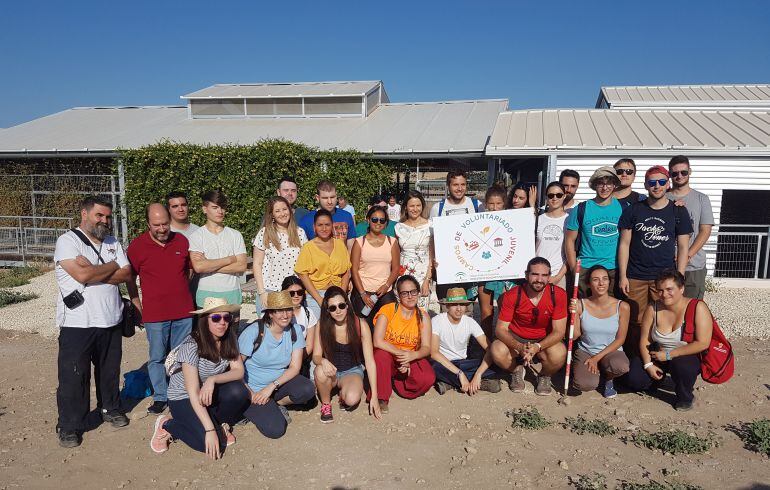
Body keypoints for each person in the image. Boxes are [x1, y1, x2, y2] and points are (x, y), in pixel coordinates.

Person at [54, 196, 135, 447]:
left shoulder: (112, 241)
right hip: (78, 323)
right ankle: (69, 425)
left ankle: (110, 408)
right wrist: (111, 266)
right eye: (100, 215)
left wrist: (96, 270)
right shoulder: (68, 241)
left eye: (108, 217)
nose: (105, 221)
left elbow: (127, 273)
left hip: (111, 319)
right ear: (85, 214)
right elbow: (82, 274)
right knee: (74, 376)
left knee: (109, 371)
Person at [150, 298, 248, 458]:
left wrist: (212, 380)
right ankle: (167, 424)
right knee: (205, 443)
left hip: (207, 392)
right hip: (183, 397)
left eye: (226, 317)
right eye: (216, 318)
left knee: (239, 392)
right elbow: (193, 391)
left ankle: (217, 424)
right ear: (205, 320)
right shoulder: (192, 345)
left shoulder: (229, 340)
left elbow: (238, 371)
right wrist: (209, 430)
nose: (222, 322)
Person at [127, 203, 195, 415]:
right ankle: (160, 396)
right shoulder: (137, 247)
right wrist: (136, 303)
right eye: (157, 225)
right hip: (155, 315)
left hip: (184, 312)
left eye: (165, 223)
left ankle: (179, 392)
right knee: (156, 357)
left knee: (181, 355)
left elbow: (189, 271)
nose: (162, 228)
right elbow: (130, 278)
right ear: (148, 223)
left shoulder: (182, 241)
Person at [618, 165, 692, 355]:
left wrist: (680, 277)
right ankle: (636, 361)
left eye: (661, 182)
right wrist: (623, 276)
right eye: (652, 183)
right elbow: (624, 244)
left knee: (663, 320)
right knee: (635, 322)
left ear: (668, 184)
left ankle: (660, 359)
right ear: (645, 185)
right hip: (636, 276)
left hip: (665, 278)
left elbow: (683, 247)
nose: (657, 186)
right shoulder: (633, 211)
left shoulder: (678, 212)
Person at [625, 269, 714, 411]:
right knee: (634, 379)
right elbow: (645, 340)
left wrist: (669, 355)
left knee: (682, 366)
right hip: (658, 354)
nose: (664, 294)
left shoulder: (698, 307)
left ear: (682, 288)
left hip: (685, 355)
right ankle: (655, 381)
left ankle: (685, 396)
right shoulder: (652, 308)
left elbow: (703, 343)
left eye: (669, 289)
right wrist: (648, 365)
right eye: (660, 290)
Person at [238, 291, 315, 438]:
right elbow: (236, 368)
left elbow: (294, 367)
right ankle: (252, 409)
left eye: (288, 309)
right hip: (252, 389)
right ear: (270, 313)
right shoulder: (255, 331)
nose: (285, 315)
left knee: (307, 389)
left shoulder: (294, 330)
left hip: (276, 384)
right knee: (276, 430)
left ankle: (275, 403)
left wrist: (271, 387)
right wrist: (251, 393)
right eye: (279, 311)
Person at [490, 257, 567, 396]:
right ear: (526, 275)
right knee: (496, 350)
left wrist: (537, 347)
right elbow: (500, 329)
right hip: (516, 337)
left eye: (544, 275)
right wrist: (519, 346)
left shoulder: (558, 294)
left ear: (549, 277)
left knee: (560, 353)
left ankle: (544, 375)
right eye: (535, 274)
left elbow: (559, 331)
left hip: (543, 338)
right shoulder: (512, 295)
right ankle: (516, 370)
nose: (539, 279)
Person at [313, 287, 381, 423]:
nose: (338, 311)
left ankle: (344, 391)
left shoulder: (360, 325)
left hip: (352, 371)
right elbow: (316, 356)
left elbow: (370, 362)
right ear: (327, 310)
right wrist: (323, 361)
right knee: (319, 371)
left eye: (341, 305)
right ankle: (326, 404)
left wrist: (374, 395)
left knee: (352, 399)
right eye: (332, 308)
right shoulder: (322, 325)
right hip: (331, 371)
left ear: (347, 305)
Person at [372, 275, 436, 412]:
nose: (410, 296)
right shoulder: (388, 310)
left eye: (413, 292)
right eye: (405, 293)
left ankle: (397, 380)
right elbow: (377, 341)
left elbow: (426, 348)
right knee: (380, 356)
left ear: (418, 293)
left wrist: (412, 356)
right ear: (398, 294)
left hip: (410, 357)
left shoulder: (423, 316)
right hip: (389, 355)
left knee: (428, 378)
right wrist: (402, 355)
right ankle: (382, 397)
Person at [568, 266, 630, 398]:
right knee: (585, 385)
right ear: (589, 284)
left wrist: (596, 358)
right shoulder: (580, 304)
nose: (601, 283)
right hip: (586, 350)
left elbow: (620, 339)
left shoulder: (623, 306)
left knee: (621, 366)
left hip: (611, 351)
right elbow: (575, 335)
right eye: (596, 280)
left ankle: (608, 377)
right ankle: (592, 373)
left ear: (609, 282)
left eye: (605, 279)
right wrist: (573, 314)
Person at [564, 166, 623, 298]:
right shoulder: (581, 209)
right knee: (584, 310)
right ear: (595, 185)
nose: (604, 187)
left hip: (613, 269)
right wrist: (574, 268)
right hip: (586, 268)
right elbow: (569, 240)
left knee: (610, 311)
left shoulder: (623, 208)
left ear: (614, 185)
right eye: (601, 183)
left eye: (608, 183)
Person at [430, 288, 500, 395]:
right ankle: (470, 382)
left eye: (462, 304)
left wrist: (478, 374)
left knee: (494, 365)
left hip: (464, 363)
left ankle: (451, 383)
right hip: (444, 363)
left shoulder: (469, 322)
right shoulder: (437, 321)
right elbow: (434, 353)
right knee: (434, 368)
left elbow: (489, 348)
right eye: (454, 305)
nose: (459, 309)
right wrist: (460, 374)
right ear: (447, 306)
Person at [188, 190, 248, 307]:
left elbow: (241, 266)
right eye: (215, 207)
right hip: (206, 295)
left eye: (223, 207)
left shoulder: (235, 235)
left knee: (232, 326)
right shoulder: (196, 236)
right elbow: (199, 267)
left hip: (232, 293)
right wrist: (229, 259)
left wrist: (209, 265)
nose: (220, 211)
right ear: (205, 209)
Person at [666, 156, 714, 300]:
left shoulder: (701, 199)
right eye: (675, 173)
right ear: (670, 175)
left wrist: (687, 256)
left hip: (693, 267)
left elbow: (705, 231)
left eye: (683, 172)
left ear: (690, 171)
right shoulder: (663, 198)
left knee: (692, 308)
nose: (679, 176)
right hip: (666, 265)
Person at [252, 196, 307, 316]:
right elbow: (257, 264)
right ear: (271, 214)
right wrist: (262, 293)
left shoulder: (300, 233)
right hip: (270, 291)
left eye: (284, 209)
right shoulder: (264, 233)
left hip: (293, 292)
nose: (282, 213)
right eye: (277, 211)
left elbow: (305, 265)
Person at [294, 209, 352, 320]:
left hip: (339, 292)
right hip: (316, 295)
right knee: (318, 329)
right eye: (320, 225)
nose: (324, 228)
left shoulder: (340, 244)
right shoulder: (308, 247)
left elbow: (346, 271)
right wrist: (319, 300)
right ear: (314, 227)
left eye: (327, 225)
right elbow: (303, 275)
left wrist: (342, 295)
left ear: (332, 226)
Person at [350, 205, 400, 325]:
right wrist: (362, 294)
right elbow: (354, 270)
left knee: (388, 326)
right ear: (368, 220)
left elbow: (396, 268)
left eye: (382, 220)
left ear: (386, 223)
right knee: (364, 327)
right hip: (363, 291)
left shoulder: (392, 242)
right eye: (374, 219)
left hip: (385, 292)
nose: (378, 223)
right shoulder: (359, 242)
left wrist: (386, 285)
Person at [477, 185, 513, 338]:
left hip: (504, 271)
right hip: (482, 271)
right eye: (491, 203)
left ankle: (502, 341)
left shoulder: (511, 221)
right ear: (485, 204)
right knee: (486, 311)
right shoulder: (478, 221)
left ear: (504, 204)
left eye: (498, 204)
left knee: (505, 308)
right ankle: (486, 344)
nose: (494, 207)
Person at [394, 190, 433, 309]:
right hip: (403, 275)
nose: (415, 209)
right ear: (405, 207)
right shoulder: (398, 227)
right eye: (411, 206)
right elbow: (395, 254)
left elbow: (432, 255)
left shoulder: (430, 226)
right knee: (403, 313)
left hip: (423, 276)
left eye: (418, 205)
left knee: (421, 315)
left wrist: (427, 279)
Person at [536, 182, 569, 288]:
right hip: (537, 275)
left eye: (558, 195)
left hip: (558, 275)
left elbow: (572, 252)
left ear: (564, 196)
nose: (554, 198)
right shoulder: (538, 219)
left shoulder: (569, 220)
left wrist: (558, 277)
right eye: (551, 195)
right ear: (546, 198)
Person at [282, 275, 317, 360]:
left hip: (300, 358)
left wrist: (296, 362)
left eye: (300, 292)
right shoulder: (275, 313)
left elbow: (309, 346)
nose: (296, 295)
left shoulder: (308, 313)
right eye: (291, 293)